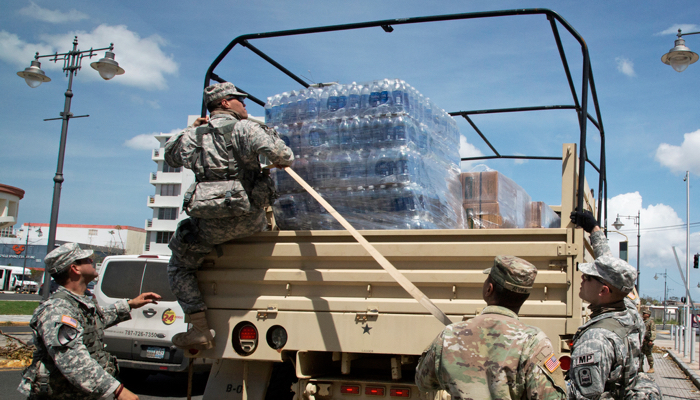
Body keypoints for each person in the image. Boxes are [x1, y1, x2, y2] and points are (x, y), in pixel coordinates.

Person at [164, 82, 294, 349]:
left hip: (209, 224)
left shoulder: (194, 135)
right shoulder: (246, 128)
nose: (244, 105)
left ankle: (200, 329)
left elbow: (171, 157)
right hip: (250, 219)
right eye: (239, 100)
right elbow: (284, 156)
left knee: (179, 264)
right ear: (224, 103)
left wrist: (191, 129)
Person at [18, 243, 161, 400]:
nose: (91, 261)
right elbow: (74, 361)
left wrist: (130, 304)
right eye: (86, 259)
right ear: (75, 268)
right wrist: (118, 391)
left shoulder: (79, 303)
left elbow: (95, 321)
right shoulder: (58, 309)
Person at [415, 256, 567, 400]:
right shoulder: (534, 342)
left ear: (489, 289)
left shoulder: (449, 335)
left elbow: (423, 381)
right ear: (524, 297)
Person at [569, 210, 661, 399]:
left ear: (604, 291)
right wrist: (594, 229)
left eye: (587, 277)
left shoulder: (596, 339)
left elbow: (583, 396)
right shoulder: (629, 311)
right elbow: (612, 269)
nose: (581, 279)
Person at [640, 308, 656, 373]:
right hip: (642, 341)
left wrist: (651, 340)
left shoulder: (650, 322)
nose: (643, 314)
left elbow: (653, 331)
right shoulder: (642, 321)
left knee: (648, 354)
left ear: (648, 315)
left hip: (647, 341)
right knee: (640, 355)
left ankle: (651, 367)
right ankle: (640, 368)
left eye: (645, 313)